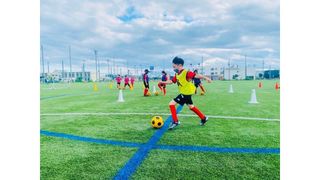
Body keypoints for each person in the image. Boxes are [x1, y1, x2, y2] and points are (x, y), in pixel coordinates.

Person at [159, 57, 212, 130]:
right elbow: (171, 81)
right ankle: (203, 118)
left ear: (179, 65)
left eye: (174, 66)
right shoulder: (177, 74)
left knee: (171, 104)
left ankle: (175, 121)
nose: (173, 68)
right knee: (191, 107)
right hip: (186, 93)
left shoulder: (186, 72)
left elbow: (196, 75)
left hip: (185, 94)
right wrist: (163, 82)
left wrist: (206, 78)